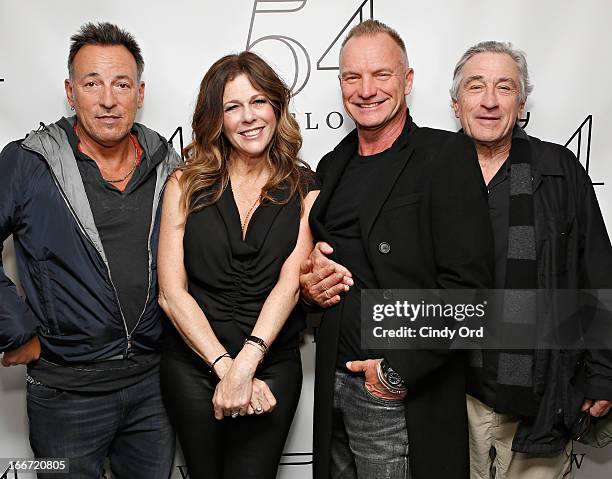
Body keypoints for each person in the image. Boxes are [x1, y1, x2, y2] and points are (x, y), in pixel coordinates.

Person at [299, 20, 494, 479]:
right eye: (352, 77)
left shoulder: (445, 156)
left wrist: (395, 372)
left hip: (396, 394)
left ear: (407, 80)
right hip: (333, 387)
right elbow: (325, 269)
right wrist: (311, 289)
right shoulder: (333, 164)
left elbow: (471, 292)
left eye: (381, 75)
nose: (366, 90)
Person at [0, 22, 179, 478]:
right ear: (70, 91)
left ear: (140, 93)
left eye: (121, 84)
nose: (107, 99)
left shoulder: (170, 164)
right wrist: (16, 330)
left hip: (153, 388)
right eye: (92, 83)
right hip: (66, 395)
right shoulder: (27, 161)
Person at [450, 40, 612, 478]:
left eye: (504, 87)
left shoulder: (558, 170)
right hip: (450, 391)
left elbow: (595, 273)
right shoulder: (430, 171)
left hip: (541, 390)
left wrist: (603, 373)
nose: (488, 101)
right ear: (455, 101)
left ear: (521, 102)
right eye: (475, 86)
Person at [157, 51, 318, 479]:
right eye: (232, 106)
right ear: (217, 118)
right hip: (193, 365)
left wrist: (247, 365)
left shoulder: (305, 185)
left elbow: (289, 283)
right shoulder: (184, 183)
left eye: (258, 101)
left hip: (271, 367)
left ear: (277, 107)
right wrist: (226, 369)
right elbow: (172, 294)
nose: (248, 117)